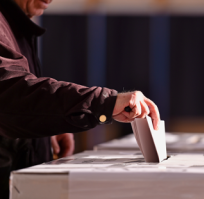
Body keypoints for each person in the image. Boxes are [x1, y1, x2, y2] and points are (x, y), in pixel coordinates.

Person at [0, 0, 160, 198]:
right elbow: (9, 98)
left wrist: (43, 130)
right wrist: (105, 103)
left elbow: (18, 109)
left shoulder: (15, 23)